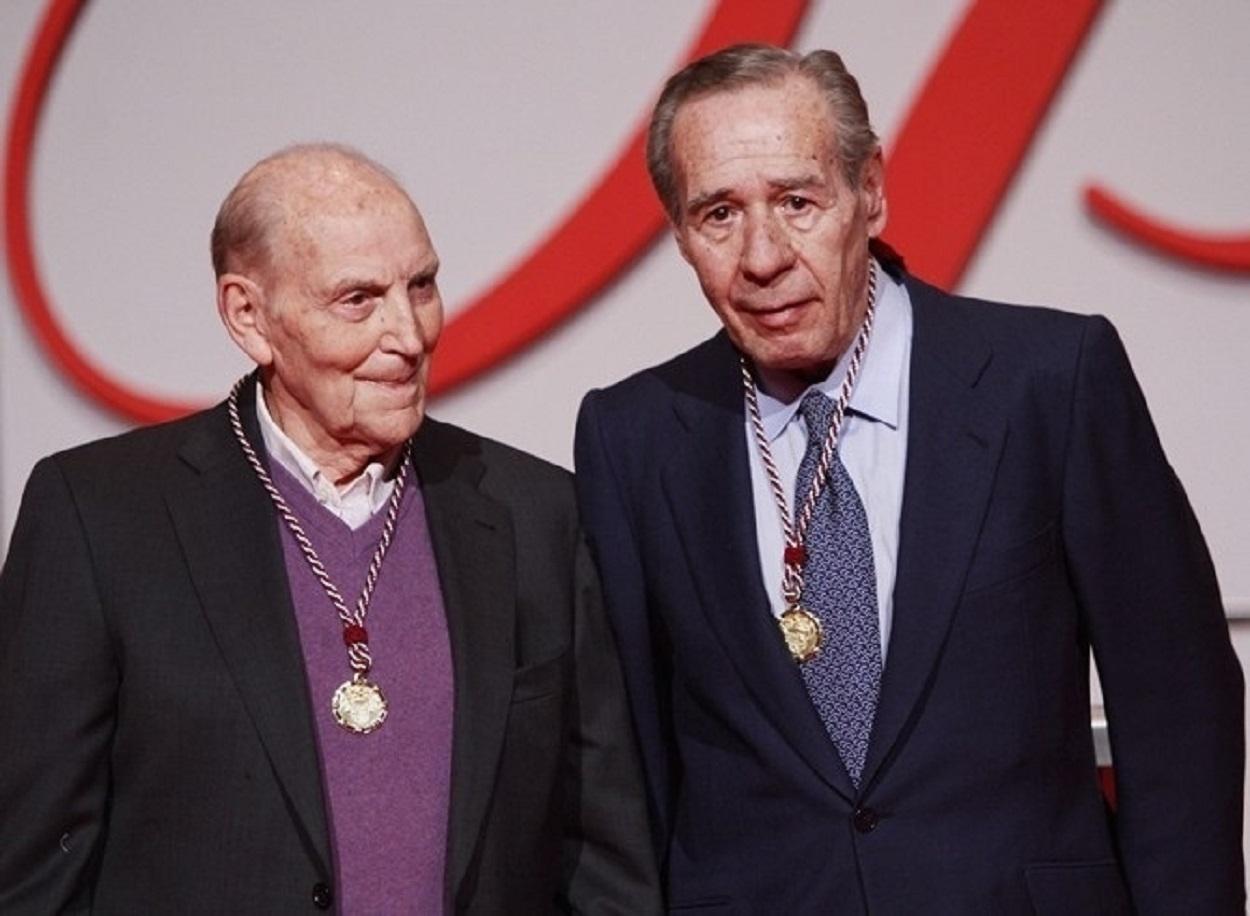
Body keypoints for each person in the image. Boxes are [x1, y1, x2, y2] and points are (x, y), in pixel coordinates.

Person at [574, 43, 1243, 914]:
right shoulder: (633, 437)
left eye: (798, 201)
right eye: (719, 216)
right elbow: (632, 771)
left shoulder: (1049, 379)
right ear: (679, 237)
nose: (763, 255)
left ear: (872, 192)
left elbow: (1178, 710)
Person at [0, 144, 660, 914]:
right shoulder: (100, 517)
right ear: (250, 317)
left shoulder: (536, 513)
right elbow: (34, 869)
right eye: (358, 300)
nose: (409, 336)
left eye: (422, 286)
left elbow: (605, 856)